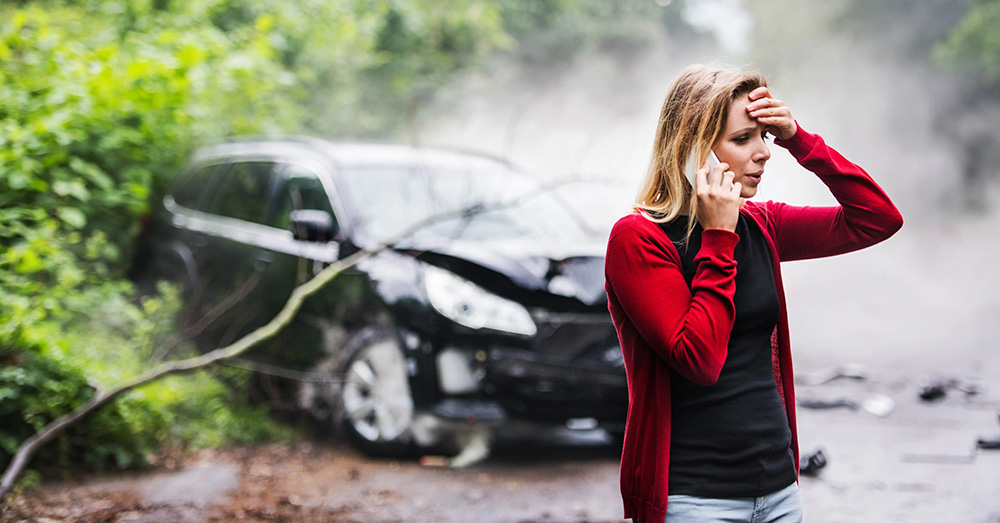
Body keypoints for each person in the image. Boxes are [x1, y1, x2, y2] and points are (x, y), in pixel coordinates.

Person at [604, 64, 903, 523]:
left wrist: (799, 138)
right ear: (691, 149)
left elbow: (877, 218)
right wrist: (718, 237)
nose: (763, 153)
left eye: (764, 136)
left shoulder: (763, 225)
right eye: (743, 139)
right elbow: (699, 359)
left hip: (779, 493)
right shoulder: (638, 239)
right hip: (694, 501)